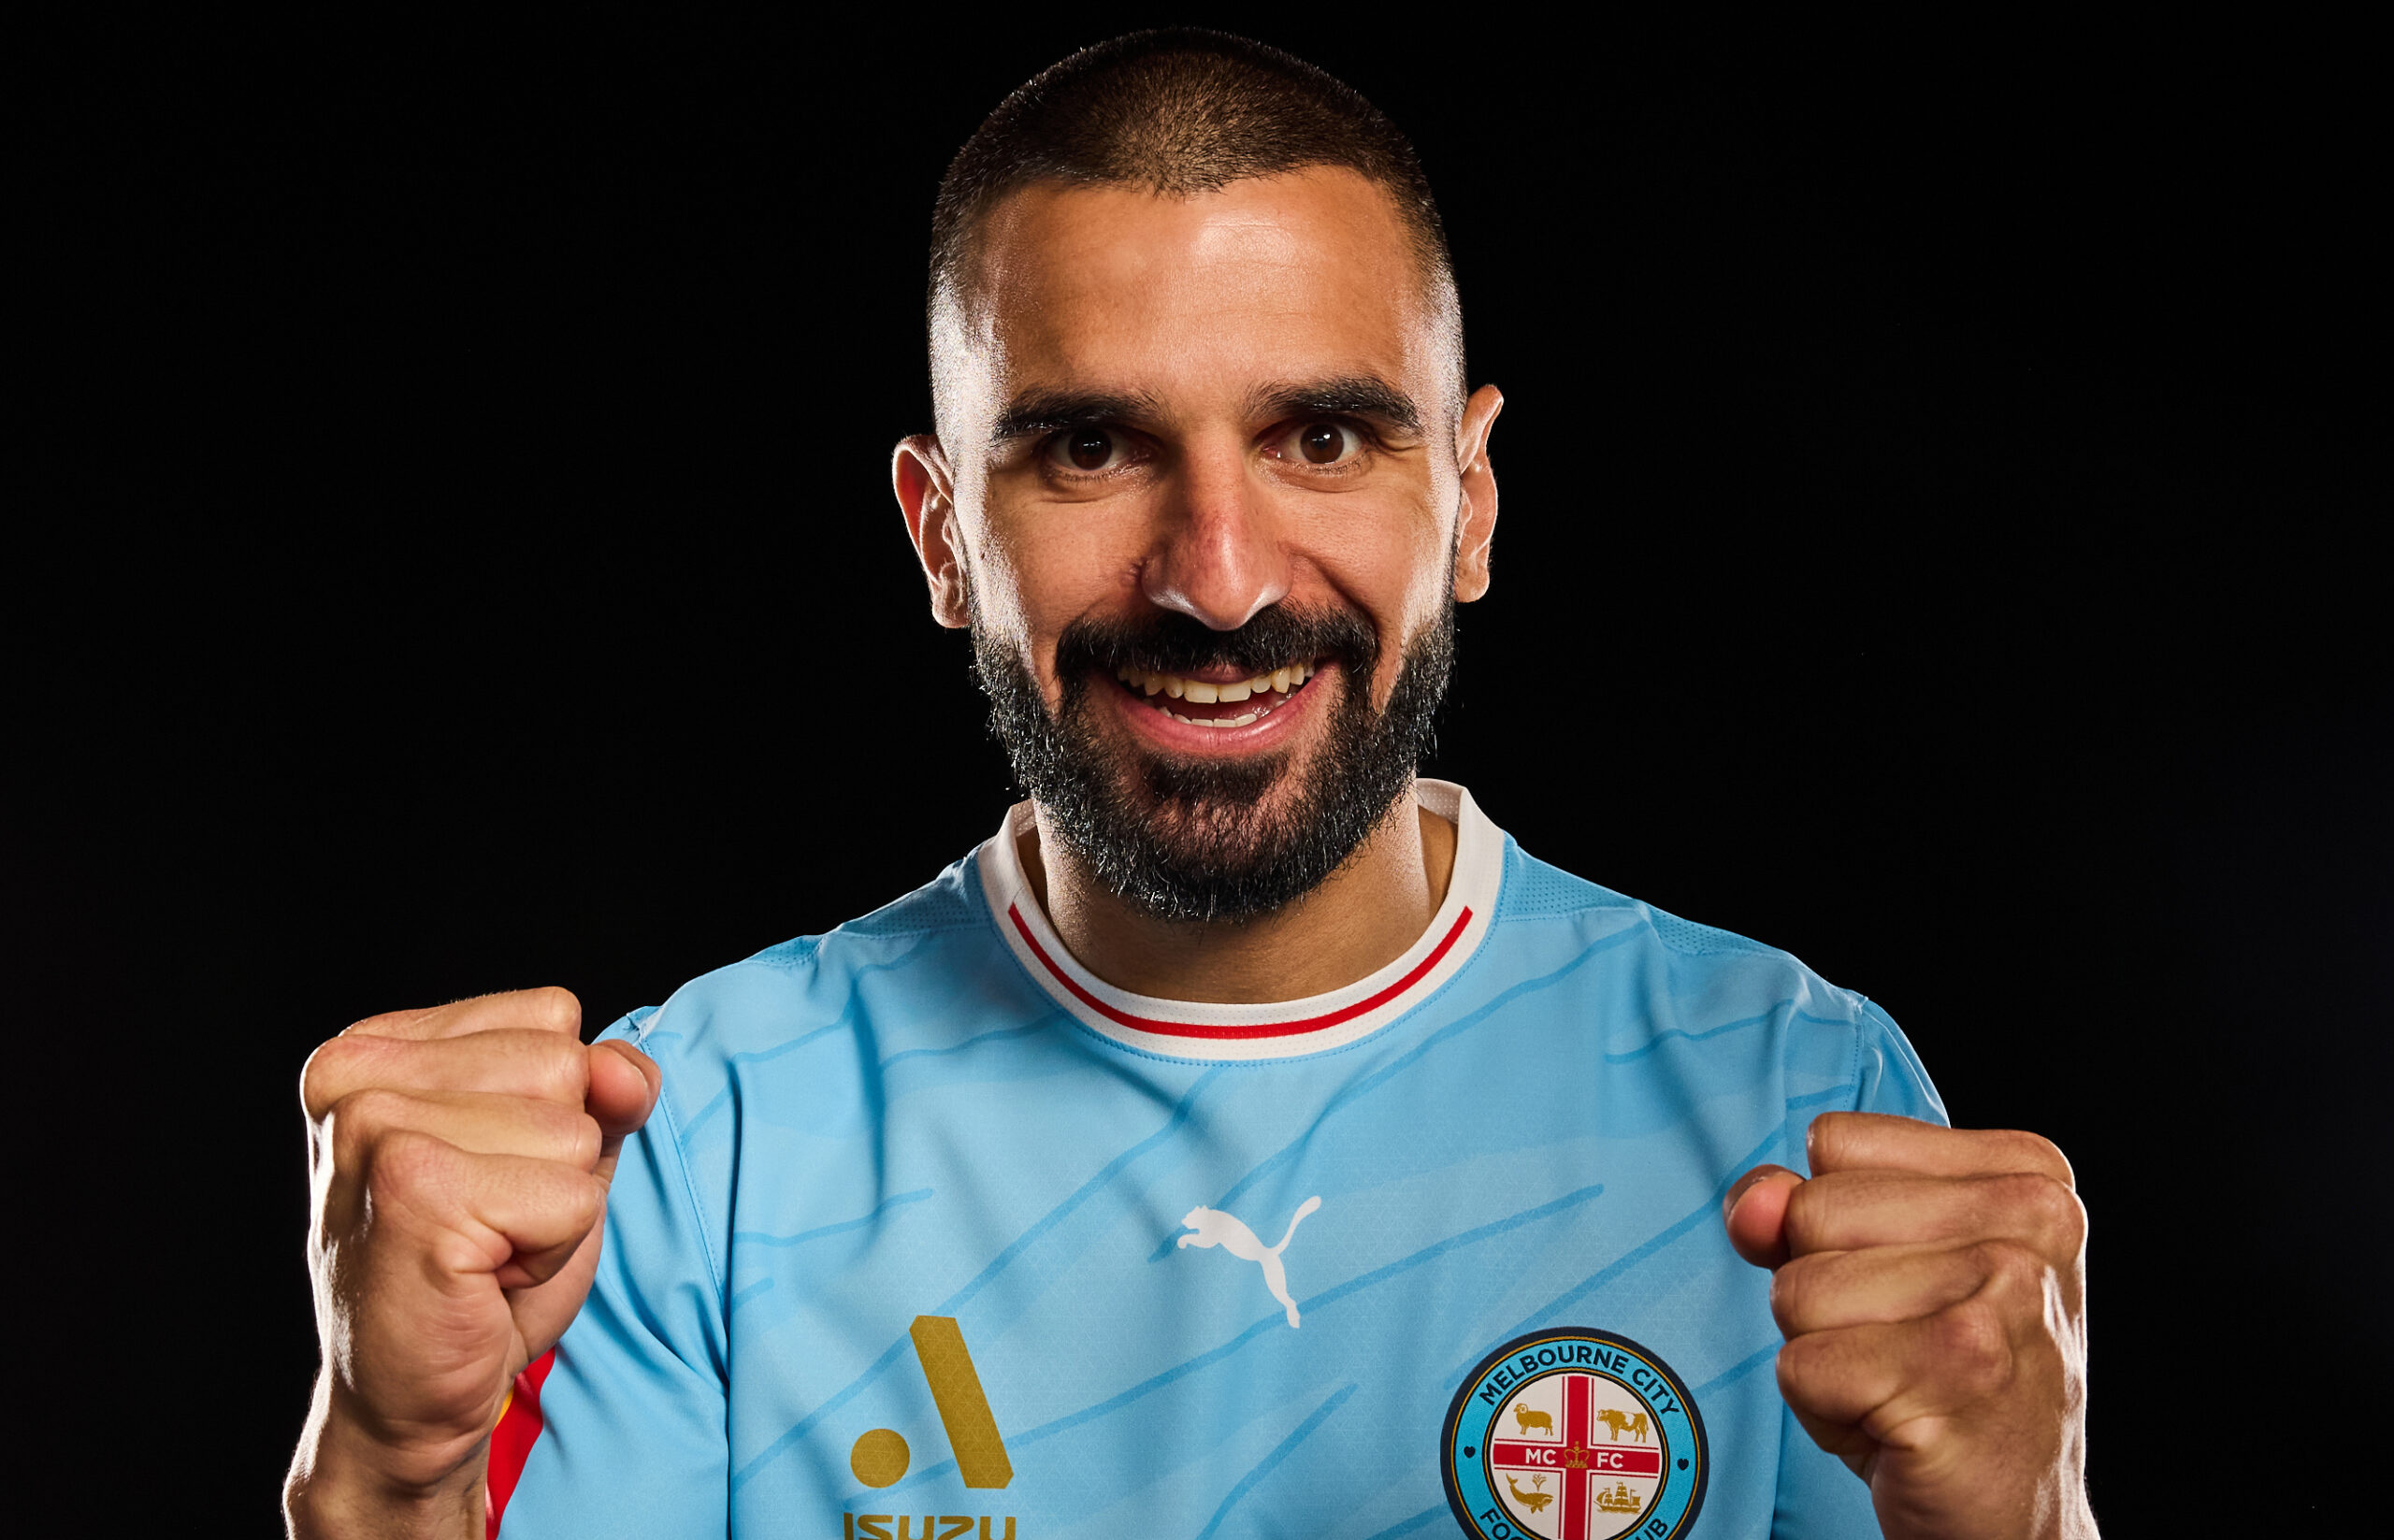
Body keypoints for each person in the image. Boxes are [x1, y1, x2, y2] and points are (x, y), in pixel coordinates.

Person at [284, 30, 2094, 1540]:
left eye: (1323, 436)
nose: (1218, 581)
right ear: (941, 535)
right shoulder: (696, 1151)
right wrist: (385, 1478)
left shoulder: (1794, 1101)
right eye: (1091, 446)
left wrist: (2030, 1521)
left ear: (1468, 504)